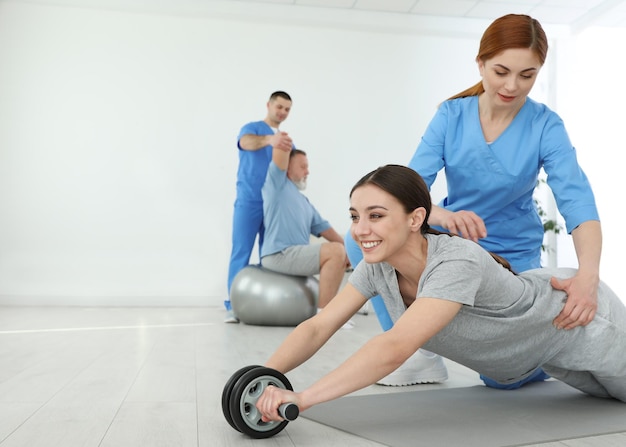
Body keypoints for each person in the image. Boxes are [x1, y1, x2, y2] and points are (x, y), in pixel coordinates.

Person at [344, 13, 602, 388]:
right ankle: (420, 352)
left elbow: (577, 201)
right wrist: (443, 216)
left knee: (503, 380)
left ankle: (553, 350)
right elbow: (407, 192)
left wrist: (588, 276)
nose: (512, 85)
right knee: (365, 239)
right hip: (452, 246)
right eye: (501, 71)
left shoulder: (546, 125)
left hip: (512, 255)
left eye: (527, 75)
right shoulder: (451, 116)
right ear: (480, 63)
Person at [254, 165, 626, 423]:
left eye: (376, 215)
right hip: (542, 354)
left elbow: (394, 347)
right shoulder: (377, 268)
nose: (360, 229)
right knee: (608, 401)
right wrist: (262, 376)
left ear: (415, 219)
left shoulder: (454, 262)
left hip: (578, 321)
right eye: (354, 216)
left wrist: (303, 399)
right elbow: (320, 327)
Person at [260, 146, 353, 327]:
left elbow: (326, 229)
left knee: (339, 249)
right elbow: (279, 158)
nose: (307, 171)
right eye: (303, 166)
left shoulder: (304, 202)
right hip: (278, 254)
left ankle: (328, 314)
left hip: (295, 254)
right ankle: (324, 318)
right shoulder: (276, 185)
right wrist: (282, 141)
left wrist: (350, 251)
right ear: (287, 167)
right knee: (335, 252)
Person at [226, 91, 295, 323]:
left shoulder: (286, 139)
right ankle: (234, 306)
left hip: (274, 205)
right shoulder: (252, 129)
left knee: (271, 255)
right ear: (268, 105)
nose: (282, 112)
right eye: (279, 107)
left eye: (287, 109)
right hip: (249, 199)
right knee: (241, 251)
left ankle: (268, 303)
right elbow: (244, 143)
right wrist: (269, 140)